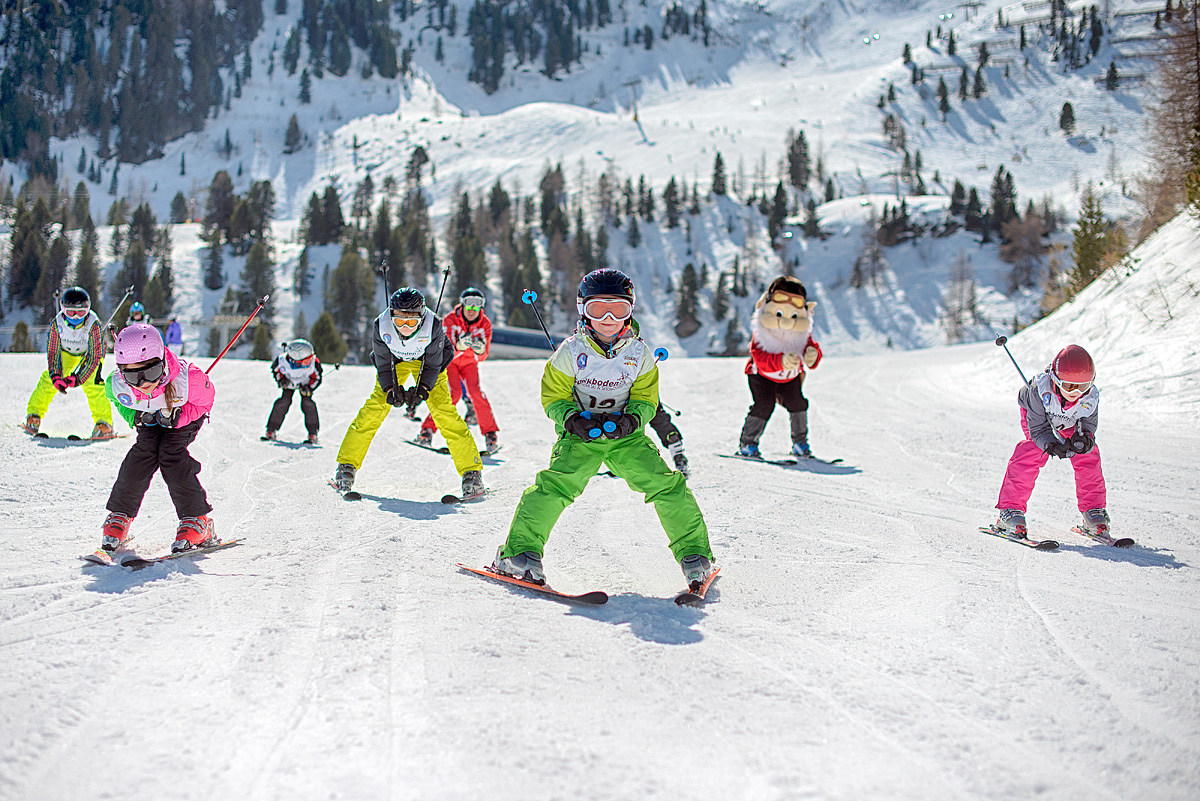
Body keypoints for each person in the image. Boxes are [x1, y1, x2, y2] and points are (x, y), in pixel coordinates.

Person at [492, 269, 715, 590]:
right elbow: (554, 396)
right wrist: (572, 419)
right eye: (598, 309)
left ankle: (695, 555)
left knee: (667, 486)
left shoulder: (639, 354)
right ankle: (521, 553)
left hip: (626, 438)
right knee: (555, 487)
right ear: (583, 310)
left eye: (618, 309)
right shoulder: (571, 352)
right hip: (580, 436)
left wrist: (632, 420)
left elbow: (646, 398)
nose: (608, 319)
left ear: (630, 311)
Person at [332, 288, 484, 499]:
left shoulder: (433, 325)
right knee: (374, 408)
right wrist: (390, 388)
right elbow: (383, 363)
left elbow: (433, 365)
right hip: (395, 362)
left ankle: (471, 472)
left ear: (421, 318)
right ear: (391, 315)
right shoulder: (381, 325)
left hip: (428, 363)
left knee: (443, 412)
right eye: (399, 321)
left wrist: (423, 389)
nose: (404, 327)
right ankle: (346, 465)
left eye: (411, 322)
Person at [99, 323, 218, 554]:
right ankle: (120, 515)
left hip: (185, 416)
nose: (144, 383)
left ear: (162, 361)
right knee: (143, 453)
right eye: (133, 376)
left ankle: (197, 519)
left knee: (170, 453)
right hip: (149, 419)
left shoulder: (188, 379)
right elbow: (119, 401)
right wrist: (135, 417)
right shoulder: (117, 384)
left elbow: (205, 402)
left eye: (151, 372)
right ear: (122, 372)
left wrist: (179, 417)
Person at [994, 344, 1110, 538]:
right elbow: (1038, 430)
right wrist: (1051, 444)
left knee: (1089, 455)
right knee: (1032, 451)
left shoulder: (1090, 397)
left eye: (1083, 387)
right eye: (1069, 386)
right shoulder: (1039, 391)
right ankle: (1010, 510)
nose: (1076, 392)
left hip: (1070, 421)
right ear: (1055, 380)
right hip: (1039, 419)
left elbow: (1088, 426)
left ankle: (1093, 512)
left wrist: (1084, 440)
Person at [736, 276, 823, 459]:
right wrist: (780, 361)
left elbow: (811, 348)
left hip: (790, 377)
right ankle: (748, 443)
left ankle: (800, 443)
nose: (786, 321)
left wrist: (813, 355)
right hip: (761, 376)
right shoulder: (763, 332)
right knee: (764, 405)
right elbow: (759, 357)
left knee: (798, 403)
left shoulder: (801, 333)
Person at [21, 286, 116, 440]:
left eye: (81, 312)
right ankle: (34, 415)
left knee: (94, 383)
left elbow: (94, 356)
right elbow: (53, 352)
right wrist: (55, 375)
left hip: (89, 355)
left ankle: (104, 423)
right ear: (63, 310)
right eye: (71, 312)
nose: (76, 317)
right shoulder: (57, 323)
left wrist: (78, 378)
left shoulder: (93, 324)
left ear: (88, 310)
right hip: (66, 353)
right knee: (47, 380)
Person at [416, 287, 502, 454]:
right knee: (453, 394)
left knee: (476, 393)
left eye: (477, 304)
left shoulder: (485, 324)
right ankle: (427, 431)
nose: (472, 309)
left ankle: (490, 434)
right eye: (469, 303)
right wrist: (459, 347)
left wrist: (479, 351)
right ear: (462, 304)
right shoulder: (449, 320)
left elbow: (483, 356)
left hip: (470, 363)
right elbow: (443, 351)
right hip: (451, 363)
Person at [264, 339, 322, 444]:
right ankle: (271, 430)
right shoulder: (282, 361)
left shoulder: (314, 363)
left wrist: (309, 388)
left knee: (308, 403)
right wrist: (281, 381)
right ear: (296, 360)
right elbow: (276, 371)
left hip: (305, 384)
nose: (309, 362)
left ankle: (313, 433)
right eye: (306, 361)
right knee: (283, 401)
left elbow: (317, 378)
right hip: (289, 383)